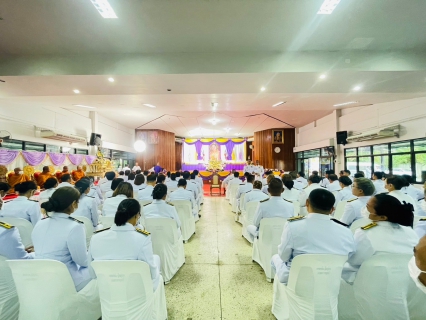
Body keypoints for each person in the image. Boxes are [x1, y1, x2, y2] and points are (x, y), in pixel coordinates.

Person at [271, 188, 355, 284]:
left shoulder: (293, 226)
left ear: (307, 203)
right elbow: (350, 255)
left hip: (297, 278)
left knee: (275, 257)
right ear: (332, 209)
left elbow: (283, 256)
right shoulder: (345, 230)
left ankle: (284, 293)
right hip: (332, 279)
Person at [342, 194, 418, 283]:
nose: (364, 209)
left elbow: (354, 260)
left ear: (382, 217)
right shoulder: (410, 232)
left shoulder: (366, 233)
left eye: (367, 207)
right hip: (406, 281)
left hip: (373, 282)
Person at [88, 199, 162, 291]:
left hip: (105, 290)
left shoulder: (96, 237)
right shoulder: (142, 238)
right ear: (137, 216)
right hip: (135, 291)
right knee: (156, 260)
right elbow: (151, 273)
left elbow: (91, 273)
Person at [34, 187, 92, 291]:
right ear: (74, 203)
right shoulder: (74, 227)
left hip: (40, 276)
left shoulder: (40, 223)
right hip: (65, 280)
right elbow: (82, 261)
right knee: (96, 268)